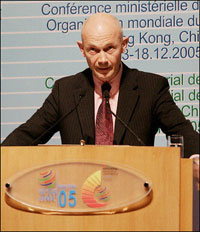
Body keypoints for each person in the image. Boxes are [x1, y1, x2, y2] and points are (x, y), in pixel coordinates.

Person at [1, 13, 199, 173]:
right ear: (81, 49)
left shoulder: (151, 87)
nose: (102, 59)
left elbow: (184, 133)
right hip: (78, 201)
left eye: (109, 48)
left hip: (136, 200)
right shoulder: (66, 91)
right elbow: (28, 135)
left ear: (124, 45)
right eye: (93, 50)